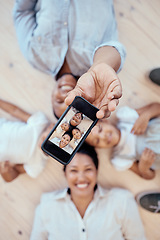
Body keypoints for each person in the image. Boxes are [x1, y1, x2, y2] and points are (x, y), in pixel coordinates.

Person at [13, 0, 126, 119]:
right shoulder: (94, 70)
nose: (65, 96)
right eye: (72, 102)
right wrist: (101, 65)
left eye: (59, 101)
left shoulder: (35, 58)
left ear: (51, 97)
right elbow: (115, 47)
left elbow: (22, 12)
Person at [30, 143, 146, 240]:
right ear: (65, 173)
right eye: (74, 170)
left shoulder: (122, 201)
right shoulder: (47, 207)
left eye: (88, 169)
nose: (81, 177)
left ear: (96, 171)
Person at [86, 102, 160, 179]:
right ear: (98, 147)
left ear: (105, 121)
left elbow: (157, 107)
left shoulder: (125, 118)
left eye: (100, 130)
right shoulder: (120, 158)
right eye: (97, 141)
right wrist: (144, 168)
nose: (103, 137)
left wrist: (146, 115)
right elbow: (150, 176)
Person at [0, 98, 55, 182]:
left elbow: (13, 175)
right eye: (53, 135)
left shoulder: (37, 162)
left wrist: (6, 171)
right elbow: (14, 110)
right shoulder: (40, 123)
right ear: (51, 126)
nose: (52, 140)